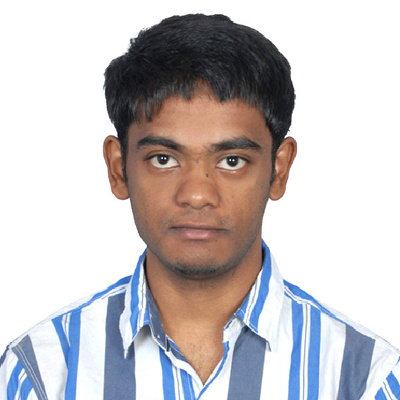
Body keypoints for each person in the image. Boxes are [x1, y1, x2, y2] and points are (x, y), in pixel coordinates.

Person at [1, 13, 399, 400]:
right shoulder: (39, 374)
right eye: (163, 159)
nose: (196, 194)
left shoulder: (363, 379)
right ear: (118, 168)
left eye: (232, 161)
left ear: (278, 170)